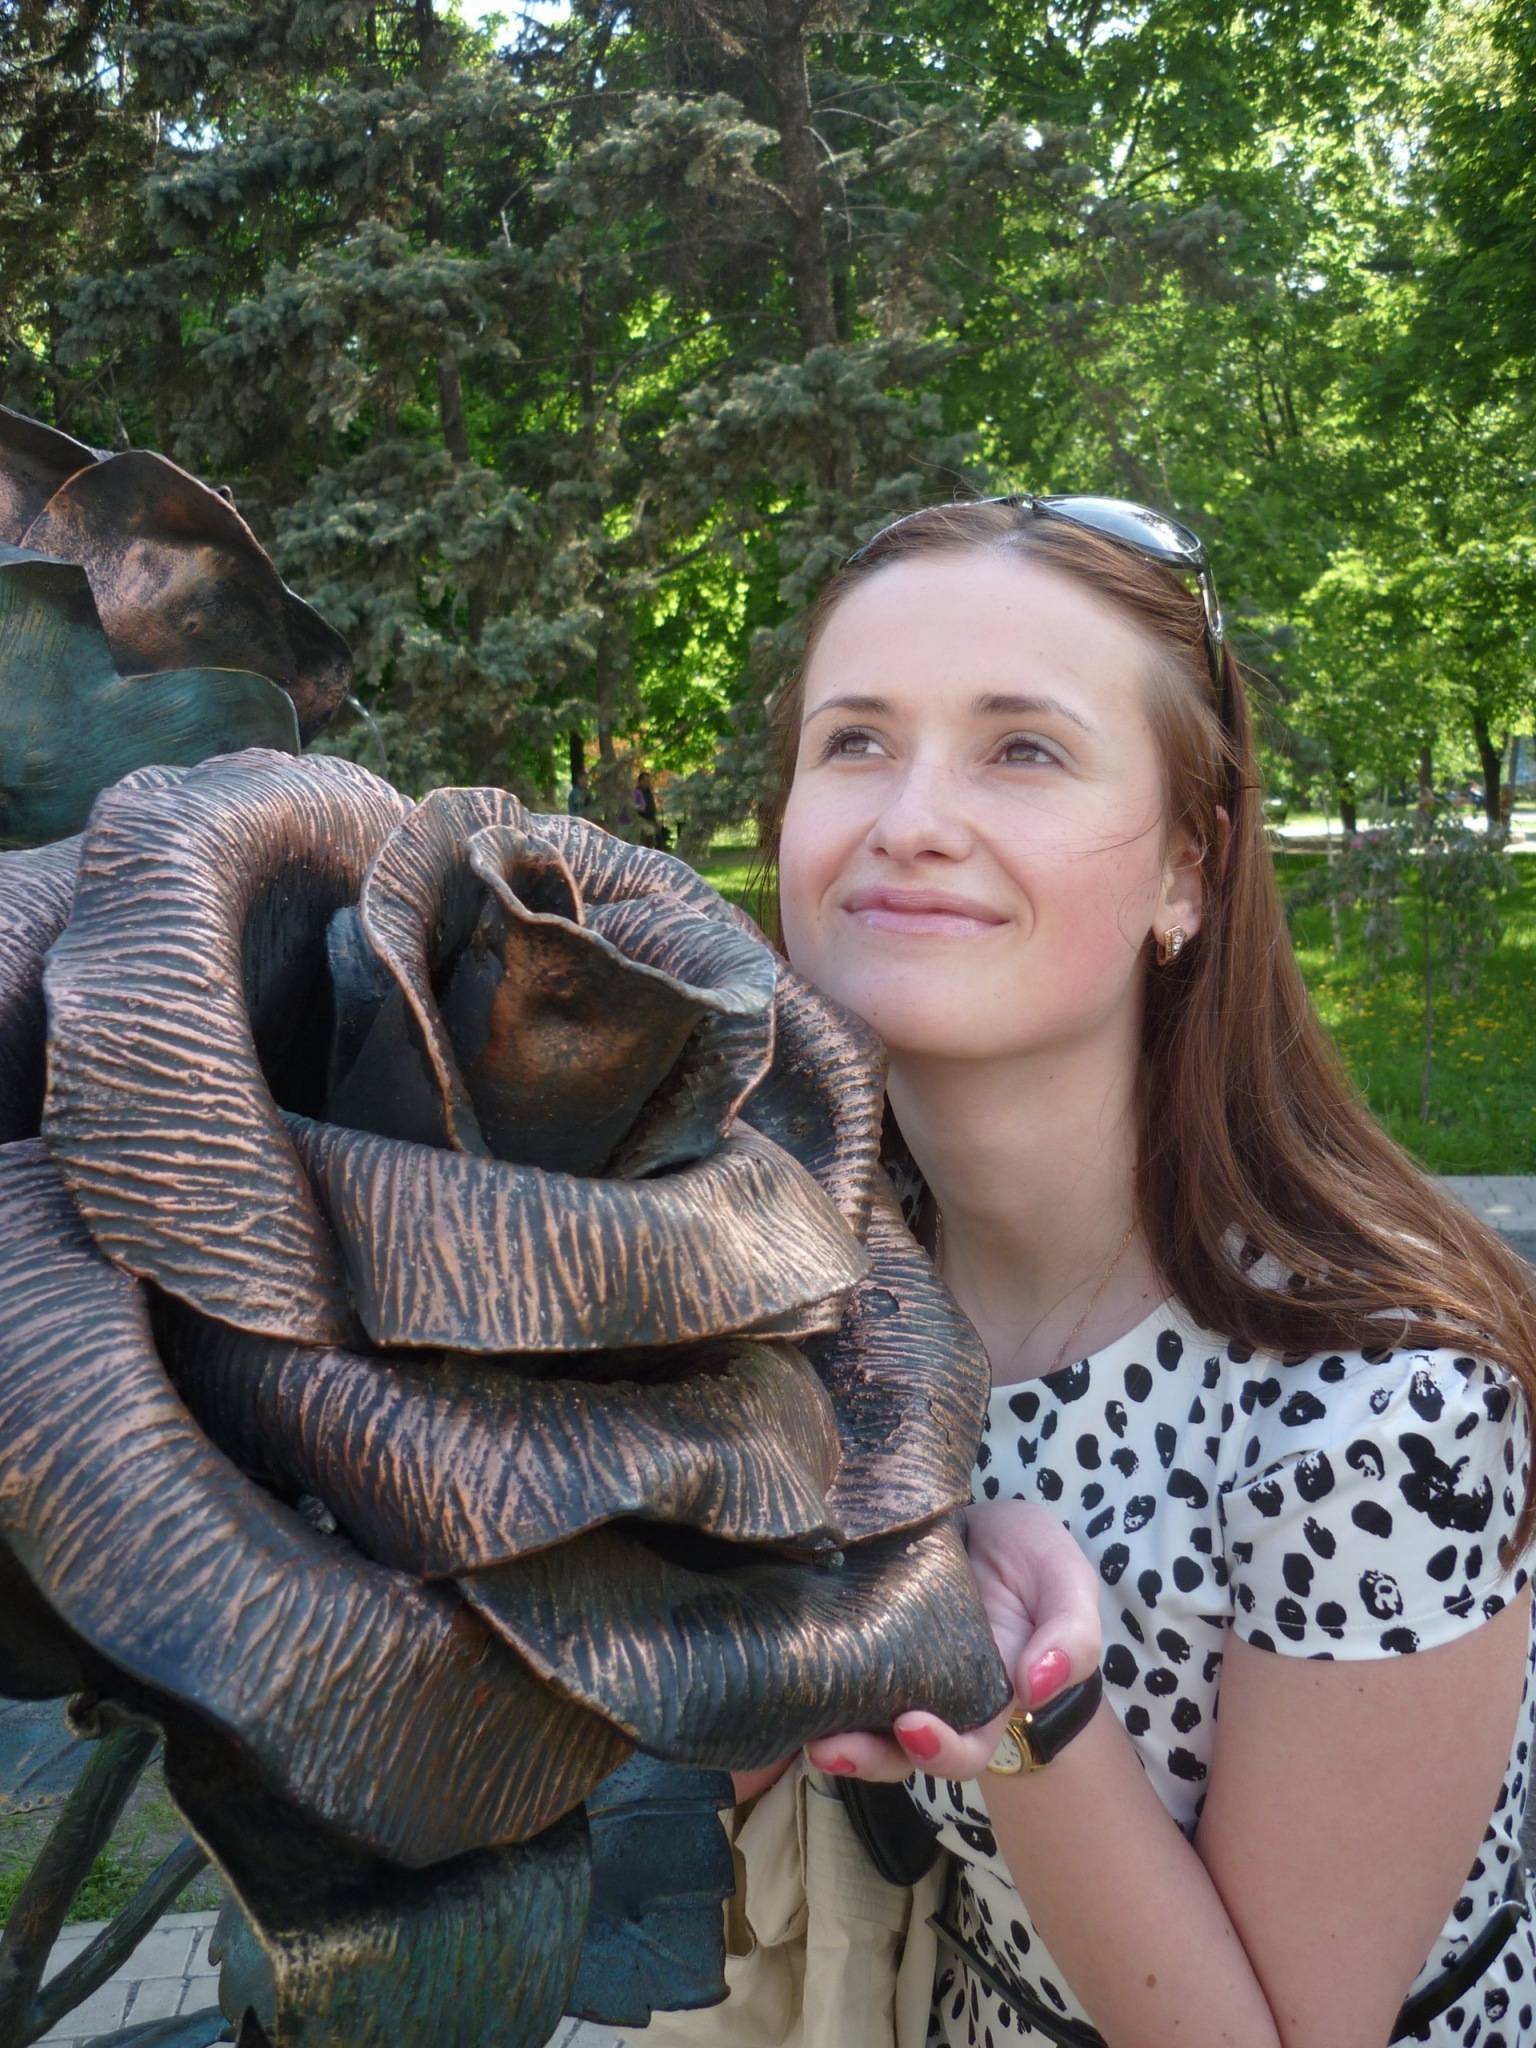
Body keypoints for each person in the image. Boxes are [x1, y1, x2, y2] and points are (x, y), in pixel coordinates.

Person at [752, 495, 1536, 2048]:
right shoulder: (784, 1284)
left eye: (1021, 748)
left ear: (1190, 869)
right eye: (855, 741)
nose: (910, 816)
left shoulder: (1381, 1416)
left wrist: (1015, 1701)